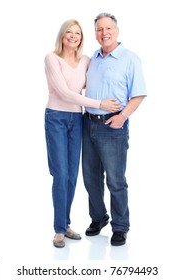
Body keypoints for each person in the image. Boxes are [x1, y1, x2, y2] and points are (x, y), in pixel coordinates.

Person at [44, 19, 120, 248]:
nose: (73, 36)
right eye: (69, 31)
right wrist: (99, 103)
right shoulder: (51, 58)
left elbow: (96, 81)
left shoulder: (86, 60)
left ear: (81, 38)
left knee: (72, 176)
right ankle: (59, 229)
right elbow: (66, 94)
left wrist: (117, 100)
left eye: (77, 33)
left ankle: (66, 224)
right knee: (61, 174)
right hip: (56, 117)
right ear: (62, 35)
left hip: (77, 119)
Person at [82, 13, 147, 246]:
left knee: (116, 180)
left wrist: (123, 116)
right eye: (99, 29)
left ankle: (120, 226)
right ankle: (99, 218)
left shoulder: (130, 59)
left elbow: (138, 93)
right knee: (90, 178)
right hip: (87, 124)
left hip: (112, 126)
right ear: (95, 34)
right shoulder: (94, 59)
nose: (104, 33)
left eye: (108, 28)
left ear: (117, 31)